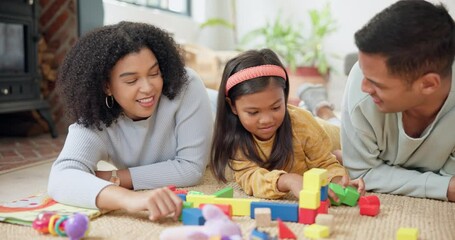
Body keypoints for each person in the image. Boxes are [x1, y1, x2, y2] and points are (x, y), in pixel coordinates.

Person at [47, 21, 213, 220]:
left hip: (226, 116)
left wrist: (113, 178)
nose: (148, 88)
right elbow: (61, 178)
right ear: (106, 86)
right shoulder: (95, 119)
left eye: (154, 73)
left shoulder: (185, 85)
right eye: (131, 81)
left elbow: (191, 169)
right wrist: (128, 199)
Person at [210, 48, 365, 200]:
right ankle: (313, 101)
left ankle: (321, 106)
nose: (266, 120)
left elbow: (325, 162)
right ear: (232, 106)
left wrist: (337, 180)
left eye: (276, 107)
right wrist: (287, 180)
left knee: (340, 132)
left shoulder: (302, 123)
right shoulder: (234, 136)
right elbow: (250, 177)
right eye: (253, 112)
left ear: (285, 97)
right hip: (306, 131)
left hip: (327, 132)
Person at [342, 0, 455, 201]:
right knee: (324, 133)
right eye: (363, 71)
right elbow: (361, 173)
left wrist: (384, 174)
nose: (364, 87)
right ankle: (320, 104)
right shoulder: (360, 86)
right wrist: (442, 187)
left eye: (378, 84)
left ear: (428, 84)